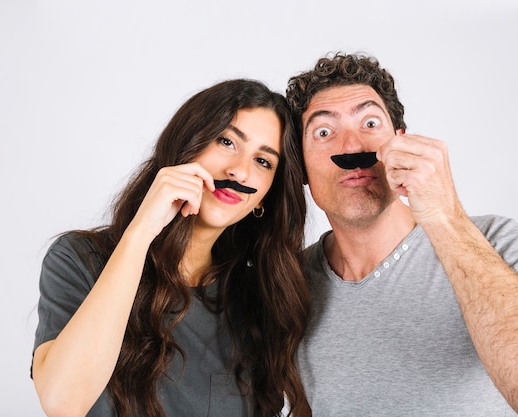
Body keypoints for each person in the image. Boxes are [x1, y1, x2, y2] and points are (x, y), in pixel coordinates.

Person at [31, 79, 311, 417]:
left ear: (262, 199)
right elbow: (64, 404)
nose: (239, 170)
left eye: (263, 162)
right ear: (187, 143)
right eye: (226, 141)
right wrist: (141, 232)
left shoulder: (259, 297)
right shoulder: (79, 260)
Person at [286, 52, 518, 416]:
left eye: (370, 123)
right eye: (324, 132)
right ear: (299, 164)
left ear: (400, 142)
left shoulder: (499, 242)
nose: (352, 146)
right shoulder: (289, 283)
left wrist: (443, 216)